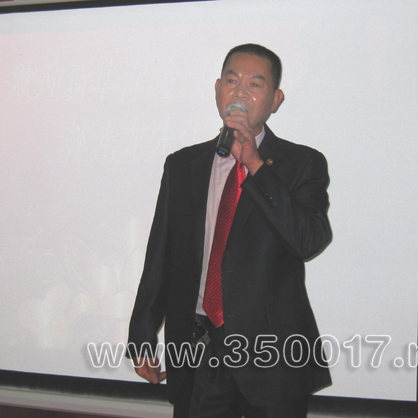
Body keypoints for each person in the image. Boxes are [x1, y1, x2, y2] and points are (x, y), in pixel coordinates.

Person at [127, 43, 332, 417]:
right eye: (232, 81)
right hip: (197, 347)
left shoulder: (303, 163)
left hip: (273, 355)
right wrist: (141, 334)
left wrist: (255, 164)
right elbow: (160, 256)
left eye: (255, 84)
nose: (240, 92)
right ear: (217, 88)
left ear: (275, 99)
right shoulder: (183, 165)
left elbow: (308, 240)